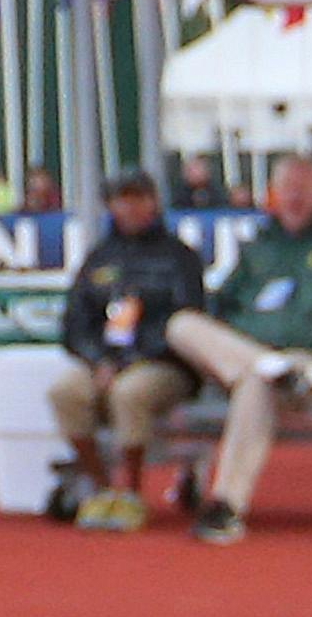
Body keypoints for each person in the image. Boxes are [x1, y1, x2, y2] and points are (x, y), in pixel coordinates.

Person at [159, 156, 312, 543]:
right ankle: (267, 366)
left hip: (311, 365)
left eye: (302, 188)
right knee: (182, 325)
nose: (294, 197)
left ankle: (226, 505)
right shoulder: (260, 246)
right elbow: (224, 307)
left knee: (256, 384)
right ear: (274, 194)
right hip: (250, 356)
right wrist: (252, 346)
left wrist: (309, 333)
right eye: (286, 189)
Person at [47, 171, 208, 531]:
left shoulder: (179, 257)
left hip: (165, 364)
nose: (130, 208)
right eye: (122, 200)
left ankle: (131, 493)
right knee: (65, 391)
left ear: (153, 202)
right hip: (103, 360)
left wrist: (129, 361)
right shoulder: (99, 257)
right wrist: (99, 360)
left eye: (137, 198)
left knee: (129, 392)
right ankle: (103, 489)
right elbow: (75, 323)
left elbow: (186, 321)